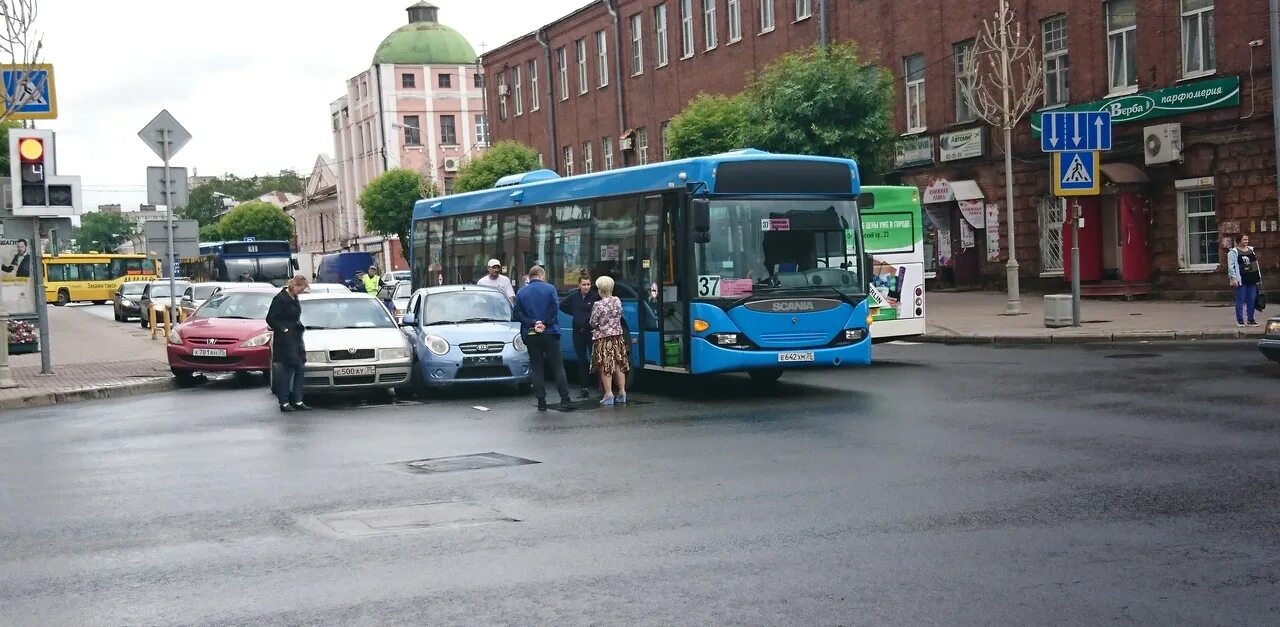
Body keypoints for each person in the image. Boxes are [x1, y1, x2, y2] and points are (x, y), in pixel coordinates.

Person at [514, 265, 573, 411]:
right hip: (550, 332)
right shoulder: (550, 289)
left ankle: (541, 401)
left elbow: (517, 314)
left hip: (531, 334)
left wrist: (533, 323)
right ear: (541, 275)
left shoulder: (521, 293)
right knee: (558, 366)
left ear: (530, 276)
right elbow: (554, 307)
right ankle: (564, 399)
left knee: (537, 367)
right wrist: (545, 323)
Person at [267, 274, 311, 412]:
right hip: (285, 339)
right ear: (294, 285)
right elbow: (270, 318)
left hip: (296, 337)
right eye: (301, 289)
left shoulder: (294, 298)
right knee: (289, 369)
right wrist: (283, 329)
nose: (301, 291)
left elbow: (295, 316)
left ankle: (297, 400)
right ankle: (284, 402)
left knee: (300, 368)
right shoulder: (280, 299)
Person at [589, 275, 630, 406]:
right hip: (617, 337)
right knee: (618, 364)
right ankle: (622, 392)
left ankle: (609, 394)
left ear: (600, 289)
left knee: (606, 366)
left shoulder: (598, 305)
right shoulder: (617, 301)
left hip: (603, 339)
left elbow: (593, 322)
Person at [560, 273, 600, 398]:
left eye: (588, 284)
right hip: (578, 332)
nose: (586, 287)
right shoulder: (574, 296)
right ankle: (584, 387)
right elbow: (562, 306)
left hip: (591, 331)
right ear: (579, 285)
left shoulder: (595, 296)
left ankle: (601, 387)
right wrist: (574, 314)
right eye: (584, 284)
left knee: (596, 359)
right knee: (581, 360)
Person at [1228, 234, 1263, 327]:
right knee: (1240, 299)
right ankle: (1240, 320)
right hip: (1241, 279)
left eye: (1247, 239)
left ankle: (1251, 319)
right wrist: (1234, 278)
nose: (1246, 241)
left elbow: (1255, 264)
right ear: (1239, 241)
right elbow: (1231, 267)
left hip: (1252, 278)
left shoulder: (1251, 250)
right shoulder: (1233, 252)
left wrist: (1258, 277)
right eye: (1244, 239)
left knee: (1252, 299)